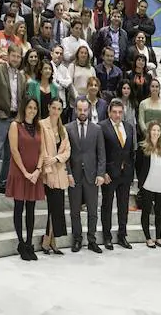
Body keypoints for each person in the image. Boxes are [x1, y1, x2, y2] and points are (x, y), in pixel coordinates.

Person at [5, 97, 46, 260]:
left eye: (35, 108)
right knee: (19, 207)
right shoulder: (15, 125)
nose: (32, 110)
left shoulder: (39, 127)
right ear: (24, 108)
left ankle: (29, 243)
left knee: (31, 208)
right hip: (19, 172)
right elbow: (14, 151)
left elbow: (42, 151)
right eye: (30, 107)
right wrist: (25, 172)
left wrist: (37, 171)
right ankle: (21, 243)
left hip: (34, 173)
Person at [0, 44, 26, 196]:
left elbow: (22, 98)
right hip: (0, 116)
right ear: (8, 56)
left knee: (10, 154)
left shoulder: (22, 76)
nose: (16, 59)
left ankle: (3, 183)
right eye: (13, 55)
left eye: (19, 56)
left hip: (15, 119)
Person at [65, 97, 106, 254]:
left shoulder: (97, 129)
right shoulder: (67, 128)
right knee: (75, 210)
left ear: (89, 110)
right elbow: (65, 154)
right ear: (76, 109)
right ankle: (77, 239)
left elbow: (101, 154)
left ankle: (92, 239)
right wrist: (68, 173)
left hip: (92, 176)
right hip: (74, 176)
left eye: (85, 110)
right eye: (80, 110)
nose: (82, 113)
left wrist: (101, 173)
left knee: (92, 211)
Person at [99, 99, 136, 251]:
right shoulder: (102, 127)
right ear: (109, 112)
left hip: (125, 173)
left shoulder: (128, 127)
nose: (117, 115)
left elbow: (130, 151)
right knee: (107, 206)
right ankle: (107, 237)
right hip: (109, 174)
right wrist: (103, 172)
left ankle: (122, 235)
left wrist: (131, 171)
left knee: (123, 206)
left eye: (120, 112)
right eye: (114, 112)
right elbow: (100, 152)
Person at [39, 97, 69, 255]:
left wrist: (57, 159)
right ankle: (48, 241)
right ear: (49, 107)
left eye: (59, 108)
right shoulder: (42, 125)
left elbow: (67, 151)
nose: (56, 111)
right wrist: (48, 170)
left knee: (56, 208)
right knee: (54, 207)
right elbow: (42, 150)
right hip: (48, 172)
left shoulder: (62, 128)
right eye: (54, 108)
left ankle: (49, 240)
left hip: (60, 173)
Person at [135, 121, 161, 248]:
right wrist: (141, 183)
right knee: (146, 212)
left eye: (158, 131)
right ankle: (148, 238)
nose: (156, 133)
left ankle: (158, 238)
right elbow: (138, 167)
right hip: (148, 184)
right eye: (153, 130)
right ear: (149, 132)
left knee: (159, 212)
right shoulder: (142, 147)